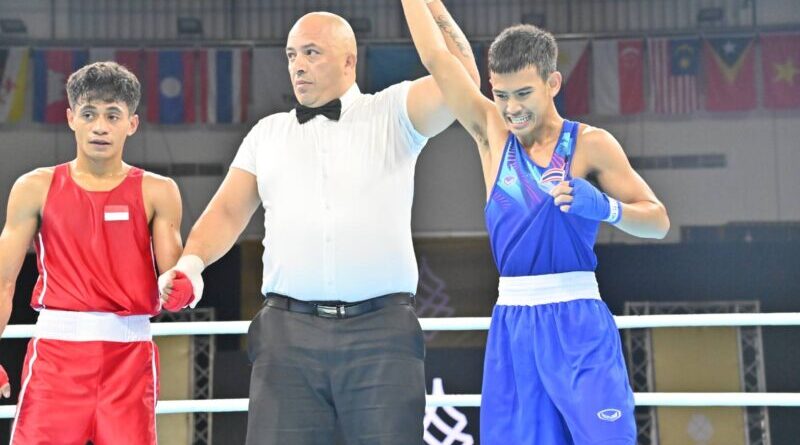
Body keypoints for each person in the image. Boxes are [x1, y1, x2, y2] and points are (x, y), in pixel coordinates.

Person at [157, 6, 479, 445]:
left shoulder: (392, 113)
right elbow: (228, 211)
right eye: (291, 55)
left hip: (380, 335)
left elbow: (463, 80)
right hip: (287, 337)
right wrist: (192, 263)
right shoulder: (267, 134)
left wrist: (427, 5)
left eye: (311, 52)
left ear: (349, 61)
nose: (298, 65)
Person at [400, 1, 670, 444]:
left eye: (523, 94)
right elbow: (437, 58)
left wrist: (607, 208)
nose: (512, 109)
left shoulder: (591, 144)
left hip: (579, 322)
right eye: (501, 95)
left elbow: (658, 221)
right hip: (514, 326)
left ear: (553, 83)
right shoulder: (492, 134)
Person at [0, 61, 184, 444]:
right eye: (89, 114)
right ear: (71, 118)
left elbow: (175, 279)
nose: (100, 126)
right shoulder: (35, 187)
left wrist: (185, 287)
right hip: (56, 359)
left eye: (112, 115)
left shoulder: (158, 191)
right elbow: (3, 280)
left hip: (130, 361)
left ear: (131, 123)